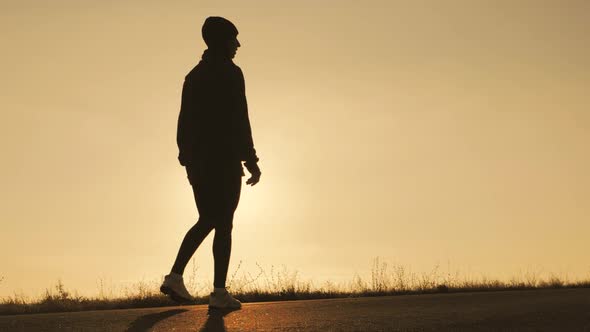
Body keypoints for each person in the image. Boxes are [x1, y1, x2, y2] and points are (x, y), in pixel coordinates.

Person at [160, 16, 261, 310]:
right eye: (234, 39)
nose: (238, 45)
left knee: (208, 219)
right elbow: (239, 118)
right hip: (224, 159)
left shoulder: (194, 75)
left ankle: (175, 276)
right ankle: (218, 293)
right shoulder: (231, 73)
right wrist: (251, 158)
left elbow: (183, 119)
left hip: (199, 163)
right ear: (221, 41)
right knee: (224, 222)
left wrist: (186, 157)